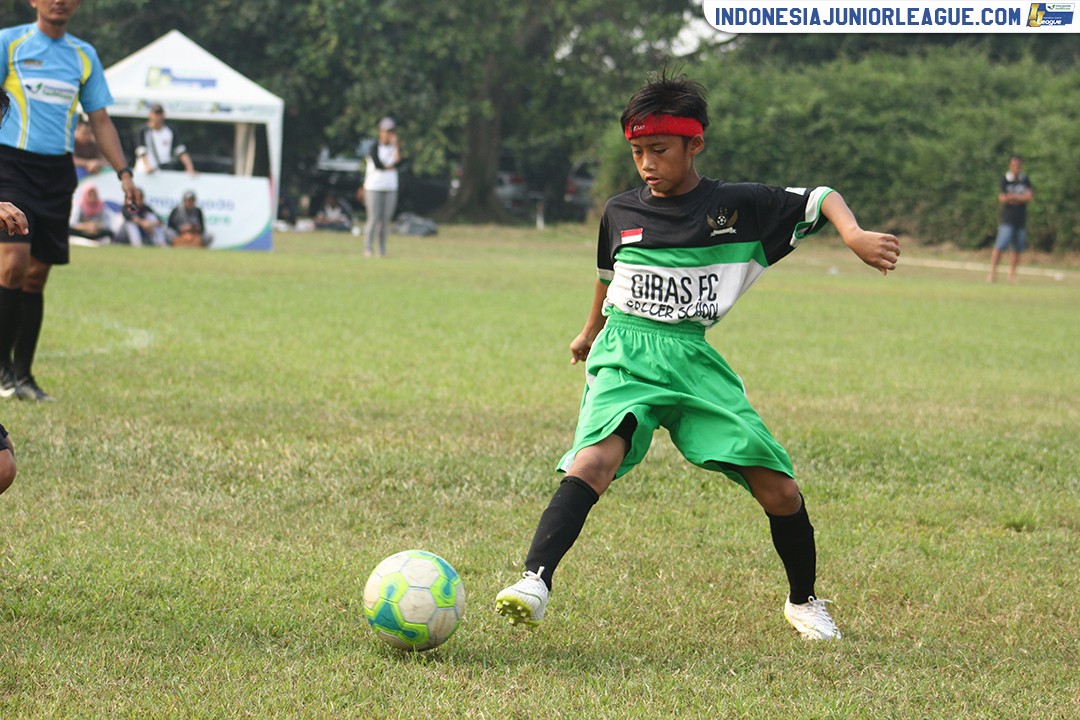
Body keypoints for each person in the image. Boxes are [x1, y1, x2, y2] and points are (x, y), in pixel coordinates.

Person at [494, 72, 901, 641]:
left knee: (780, 489)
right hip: (627, 352)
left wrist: (853, 235)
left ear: (695, 144)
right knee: (592, 462)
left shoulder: (738, 206)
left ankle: (804, 601)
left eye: (658, 150)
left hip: (691, 358)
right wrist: (590, 332)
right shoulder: (619, 212)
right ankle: (534, 581)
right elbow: (609, 276)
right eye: (636, 152)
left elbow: (820, 197)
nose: (646, 165)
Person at [0, 1, 137, 402]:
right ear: (33, 1)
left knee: (37, 275)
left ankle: (24, 375)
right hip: (10, 166)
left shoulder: (84, 55)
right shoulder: (9, 43)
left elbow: (100, 121)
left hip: (57, 174)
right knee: (12, 265)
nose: (59, 0)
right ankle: (2, 370)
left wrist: (124, 174)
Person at [988, 154, 1033, 284]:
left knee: (1017, 248)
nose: (1016, 168)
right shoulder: (1005, 179)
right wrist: (1019, 197)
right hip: (1006, 218)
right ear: (1010, 165)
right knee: (1000, 245)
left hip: (1020, 218)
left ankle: (1012, 275)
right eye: (1014, 165)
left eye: (1018, 165)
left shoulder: (1025, 180)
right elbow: (1002, 198)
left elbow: (1029, 197)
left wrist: (1012, 197)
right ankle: (992, 273)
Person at [362, 117, 401, 257]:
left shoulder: (395, 147)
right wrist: (390, 167)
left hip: (390, 187)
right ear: (380, 131)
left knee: (385, 220)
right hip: (374, 187)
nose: (389, 134)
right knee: (373, 218)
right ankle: (368, 248)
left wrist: (396, 146)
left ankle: (382, 249)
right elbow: (379, 165)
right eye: (386, 131)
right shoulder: (374, 147)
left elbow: (399, 163)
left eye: (391, 131)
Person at [134, 104, 196, 174]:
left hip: (164, 171)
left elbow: (180, 150)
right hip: (145, 171)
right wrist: (147, 166)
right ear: (150, 115)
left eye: (160, 114)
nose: (158, 117)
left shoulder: (170, 131)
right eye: (156, 114)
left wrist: (189, 167)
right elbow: (141, 150)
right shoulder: (143, 131)